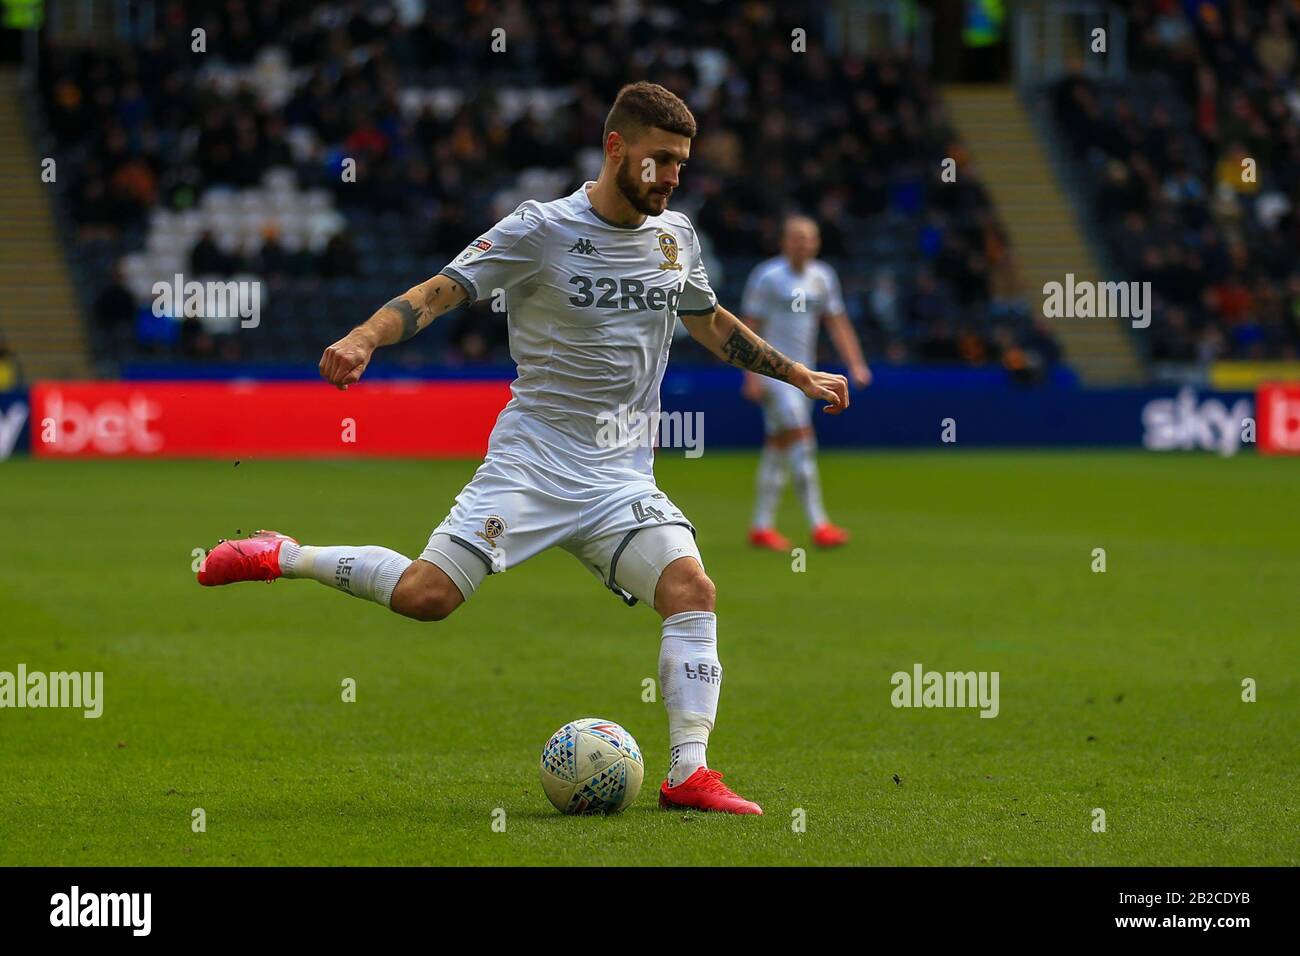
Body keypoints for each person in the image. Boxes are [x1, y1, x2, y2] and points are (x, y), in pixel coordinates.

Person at [197, 83, 850, 815]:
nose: (673, 177)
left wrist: (796, 374)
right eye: (660, 160)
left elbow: (708, 320)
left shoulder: (677, 239)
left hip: (620, 476)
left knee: (692, 590)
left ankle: (688, 772)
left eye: (681, 164)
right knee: (426, 597)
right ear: (615, 148)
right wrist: (362, 337)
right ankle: (284, 554)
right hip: (532, 463)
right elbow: (441, 291)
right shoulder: (541, 229)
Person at [741, 215, 871, 551]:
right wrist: (750, 375)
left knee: (777, 448)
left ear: (817, 243)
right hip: (774, 374)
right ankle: (819, 524)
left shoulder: (822, 277)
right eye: (796, 238)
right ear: (783, 241)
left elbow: (837, 322)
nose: (803, 244)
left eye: (809, 238)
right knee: (803, 442)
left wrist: (855, 364)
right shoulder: (767, 276)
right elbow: (749, 326)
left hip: (806, 376)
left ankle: (760, 527)